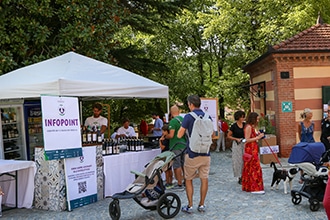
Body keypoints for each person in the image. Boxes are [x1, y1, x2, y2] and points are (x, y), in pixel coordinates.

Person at [177, 95, 214, 213]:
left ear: (190, 104)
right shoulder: (208, 117)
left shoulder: (188, 117)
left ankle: (190, 205)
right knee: (204, 179)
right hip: (206, 153)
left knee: (188, 179)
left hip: (192, 154)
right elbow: (212, 135)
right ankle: (202, 205)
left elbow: (179, 134)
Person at [241, 112, 265, 194]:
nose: (258, 121)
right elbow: (247, 139)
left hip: (253, 148)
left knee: (251, 167)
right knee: (254, 167)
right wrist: (258, 137)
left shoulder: (251, 127)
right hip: (250, 149)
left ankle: (250, 186)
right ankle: (254, 187)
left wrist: (257, 136)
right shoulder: (248, 127)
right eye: (257, 119)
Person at [166, 105, 186, 191]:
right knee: (183, 164)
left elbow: (171, 135)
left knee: (177, 165)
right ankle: (185, 181)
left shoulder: (173, 121)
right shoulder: (183, 120)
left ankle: (179, 184)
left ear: (171, 112)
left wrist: (165, 136)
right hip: (184, 144)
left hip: (175, 145)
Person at [227, 110, 246, 184]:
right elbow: (228, 136)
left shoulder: (245, 125)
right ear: (238, 117)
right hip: (237, 144)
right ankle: (240, 176)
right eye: (242, 117)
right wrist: (236, 139)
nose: (243, 118)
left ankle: (245, 176)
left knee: (245, 160)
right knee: (238, 160)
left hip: (244, 143)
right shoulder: (234, 126)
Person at [159, 124, 174, 189]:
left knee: (166, 170)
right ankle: (170, 182)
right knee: (169, 169)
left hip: (165, 154)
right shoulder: (169, 137)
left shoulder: (165, 138)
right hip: (169, 153)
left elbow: (162, 148)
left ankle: (168, 182)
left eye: (163, 131)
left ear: (166, 131)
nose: (162, 132)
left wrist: (160, 141)